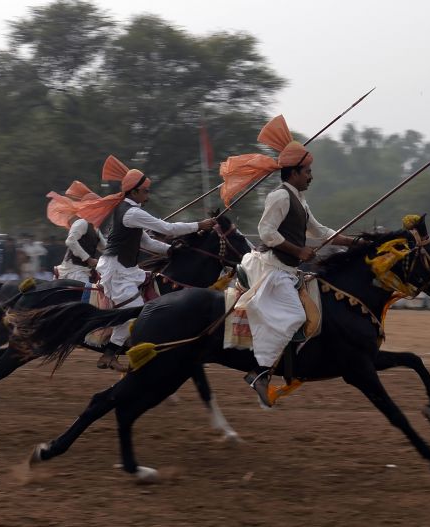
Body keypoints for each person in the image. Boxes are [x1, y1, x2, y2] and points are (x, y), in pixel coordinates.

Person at [222, 115, 357, 407]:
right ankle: (260, 374)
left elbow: (319, 231)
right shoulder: (280, 197)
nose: (311, 176)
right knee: (296, 317)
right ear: (293, 173)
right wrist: (298, 252)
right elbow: (265, 231)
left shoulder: (299, 198)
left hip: (286, 270)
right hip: (271, 269)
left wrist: (353, 242)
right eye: (307, 171)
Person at [76, 155, 216, 372]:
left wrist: (169, 250)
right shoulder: (131, 212)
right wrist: (199, 224)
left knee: (143, 307)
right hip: (116, 270)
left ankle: (113, 354)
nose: (148, 194)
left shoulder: (128, 210)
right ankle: (113, 353)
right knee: (138, 312)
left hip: (127, 268)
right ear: (134, 192)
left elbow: (145, 241)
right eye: (146, 191)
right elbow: (167, 229)